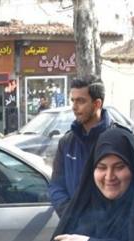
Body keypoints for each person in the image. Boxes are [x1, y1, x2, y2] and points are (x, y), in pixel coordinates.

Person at [49, 75, 119, 216]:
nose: (74, 107)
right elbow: (56, 185)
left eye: (81, 101)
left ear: (97, 104)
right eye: (73, 101)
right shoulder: (67, 142)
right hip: (74, 228)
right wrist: (70, 214)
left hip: (110, 230)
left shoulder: (119, 140)